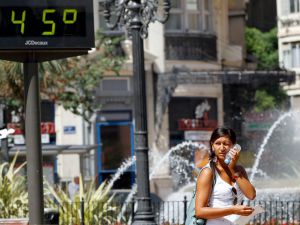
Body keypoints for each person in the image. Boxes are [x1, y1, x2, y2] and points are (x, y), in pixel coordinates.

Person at [195, 126, 256, 225]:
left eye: (226, 144)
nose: (222, 148)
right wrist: (232, 210)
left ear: (234, 147)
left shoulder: (239, 170)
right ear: (212, 146)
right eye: (218, 143)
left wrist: (232, 169)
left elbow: (251, 195)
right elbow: (199, 211)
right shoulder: (208, 172)